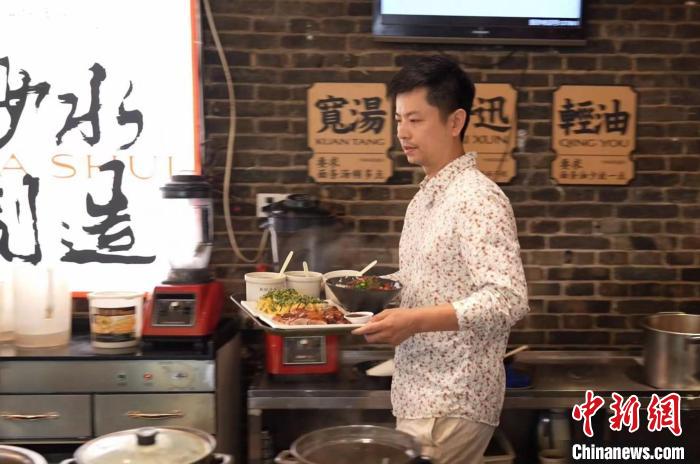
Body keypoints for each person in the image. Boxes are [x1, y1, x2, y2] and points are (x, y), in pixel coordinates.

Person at [352, 55, 529, 464]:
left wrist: (414, 321)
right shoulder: (427, 197)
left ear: (455, 122)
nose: (402, 132)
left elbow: (508, 298)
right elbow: (424, 279)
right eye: (399, 119)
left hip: (452, 398)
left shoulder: (477, 198)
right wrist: (357, 290)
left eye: (415, 120)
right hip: (420, 394)